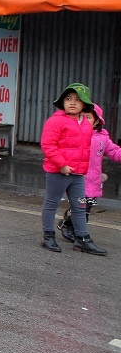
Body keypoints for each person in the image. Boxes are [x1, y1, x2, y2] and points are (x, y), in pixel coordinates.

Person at [39, 83, 105, 255]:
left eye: (77, 100)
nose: (73, 103)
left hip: (78, 174)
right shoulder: (55, 121)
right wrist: (61, 164)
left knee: (80, 206)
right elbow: (48, 145)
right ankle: (48, 237)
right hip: (58, 172)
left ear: (85, 105)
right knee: (51, 203)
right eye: (68, 99)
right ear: (63, 102)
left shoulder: (86, 124)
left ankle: (83, 239)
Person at [59, 104, 121, 246]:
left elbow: (114, 151)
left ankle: (69, 222)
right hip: (77, 179)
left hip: (94, 181)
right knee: (82, 207)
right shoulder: (74, 134)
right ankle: (71, 228)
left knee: (87, 208)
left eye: (88, 118)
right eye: (82, 117)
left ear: (97, 121)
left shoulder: (103, 138)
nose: (84, 121)